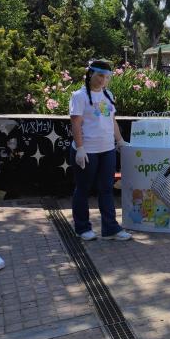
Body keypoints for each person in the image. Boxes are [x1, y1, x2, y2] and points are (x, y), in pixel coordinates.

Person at [69, 60, 132, 242]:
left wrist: (119, 141)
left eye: (106, 77)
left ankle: (111, 228)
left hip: (107, 150)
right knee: (83, 188)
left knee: (106, 189)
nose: (103, 80)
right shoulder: (79, 96)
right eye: (100, 76)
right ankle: (81, 228)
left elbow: (111, 121)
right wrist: (80, 148)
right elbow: (76, 123)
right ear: (90, 74)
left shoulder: (108, 95)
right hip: (87, 150)